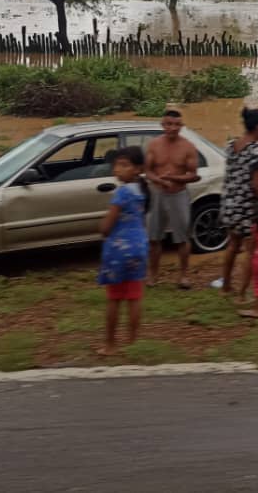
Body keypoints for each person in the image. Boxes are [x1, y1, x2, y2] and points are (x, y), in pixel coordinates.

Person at [97, 146, 150, 356]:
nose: (117, 169)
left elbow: (107, 227)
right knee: (134, 297)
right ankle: (133, 341)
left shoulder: (122, 193)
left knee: (114, 298)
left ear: (138, 169)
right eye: (116, 165)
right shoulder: (142, 192)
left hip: (119, 249)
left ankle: (110, 344)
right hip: (139, 246)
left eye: (124, 165)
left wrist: (101, 228)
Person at [219, 107, 258, 299]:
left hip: (229, 202)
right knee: (251, 250)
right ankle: (242, 293)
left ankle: (226, 285)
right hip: (248, 207)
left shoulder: (232, 144)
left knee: (232, 245)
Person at [145, 105, 201, 289]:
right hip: (159, 194)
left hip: (179, 194)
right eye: (168, 124)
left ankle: (184, 276)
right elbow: (148, 171)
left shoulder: (188, 147)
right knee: (154, 237)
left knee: (182, 238)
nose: (172, 128)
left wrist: (173, 178)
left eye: (176, 125)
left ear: (181, 126)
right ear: (163, 124)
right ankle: (153, 275)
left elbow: (194, 175)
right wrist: (159, 181)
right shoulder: (154, 144)